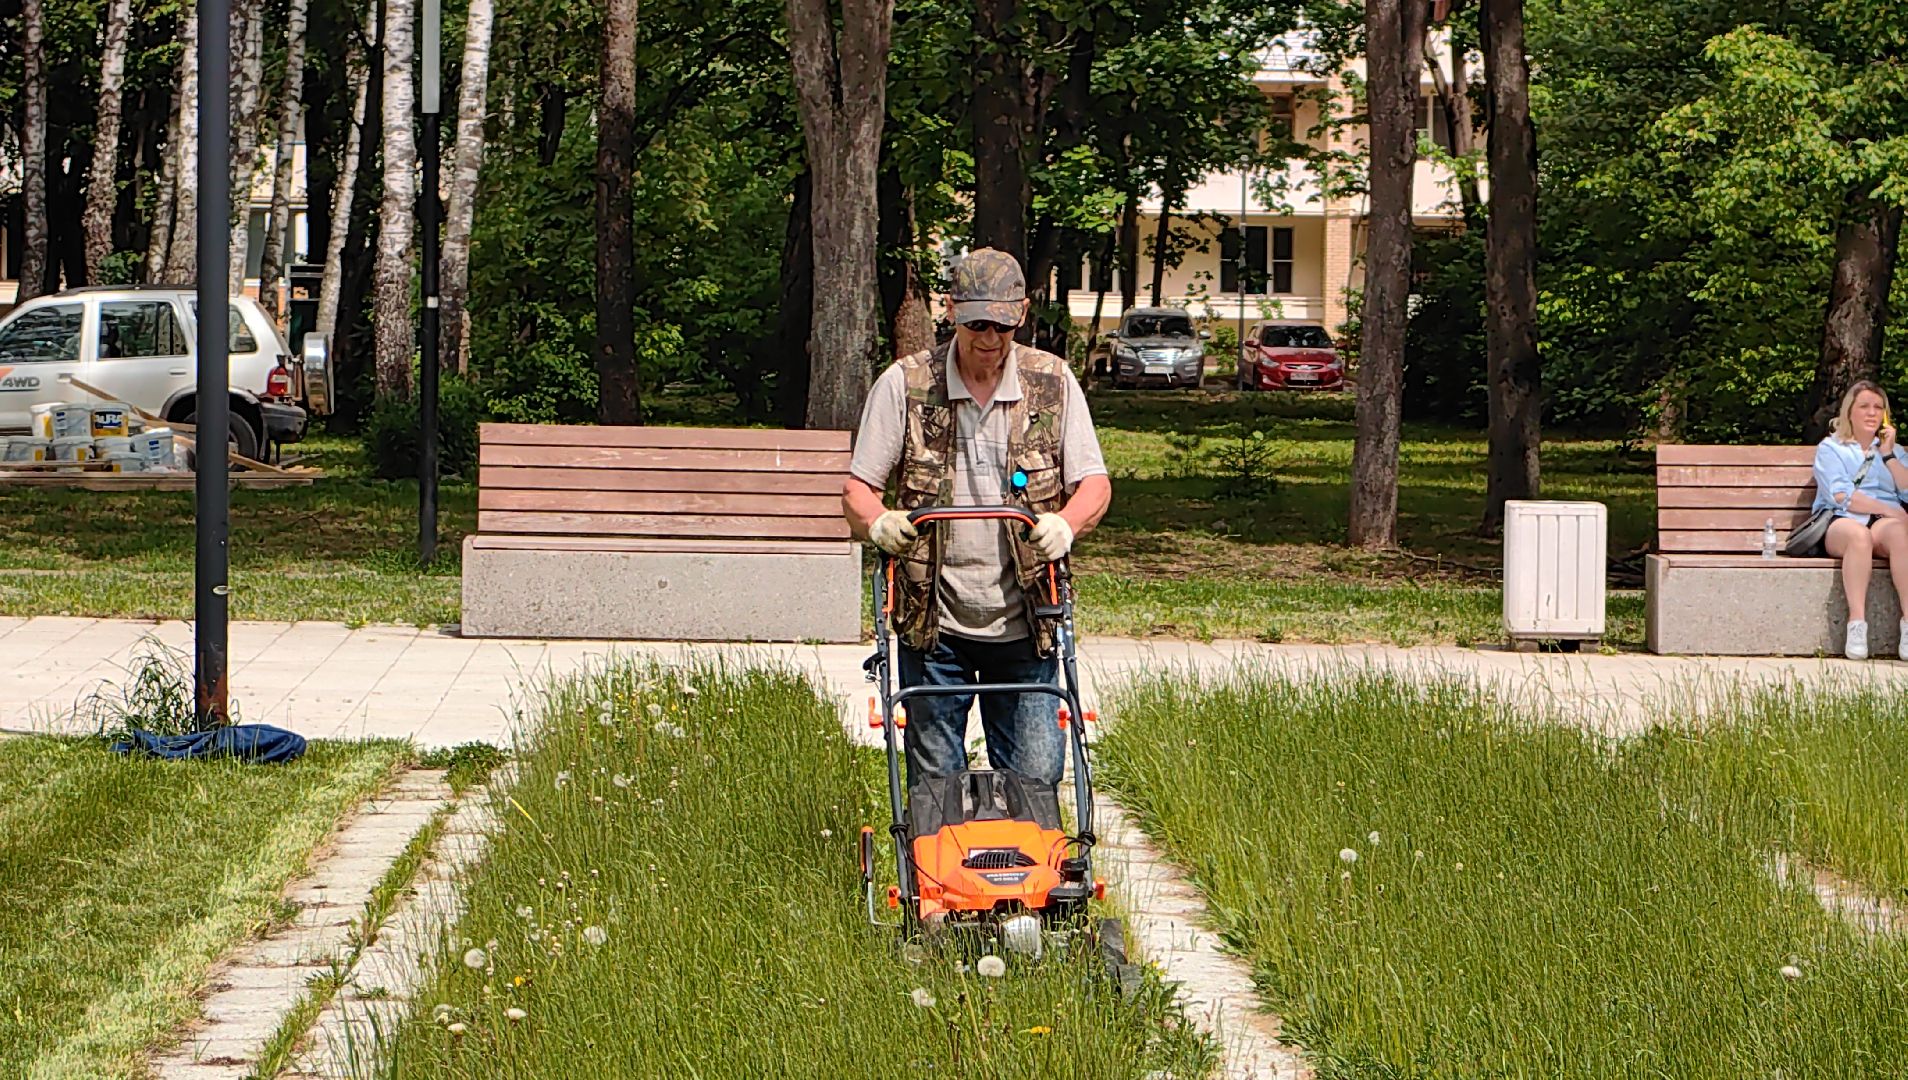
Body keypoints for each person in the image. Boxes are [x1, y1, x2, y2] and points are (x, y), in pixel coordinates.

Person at [843, 247, 1112, 794]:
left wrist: (1066, 522)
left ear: (1022, 315)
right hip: (934, 621)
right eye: (976, 325)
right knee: (935, 787)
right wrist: (878, 523)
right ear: (951, 311)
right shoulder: (906, 386)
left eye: (1002, 326)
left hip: (1028, 618)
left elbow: (1096, 485)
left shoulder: (1052, 383)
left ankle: (1030, 879)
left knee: (1035, 779)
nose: (989, 338)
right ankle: (938, 879)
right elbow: (857, 490)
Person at [1814, 379, 1908, 659]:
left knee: (1899, 533)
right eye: (1864, 406)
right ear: (1849, 413)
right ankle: (1856, 624)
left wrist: (1889, 455)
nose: (1872, 413)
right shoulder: (1832, 448)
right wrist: (1889, 509)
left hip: (1882, 523)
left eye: (1878, 407)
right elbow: (1841, 495)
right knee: (1859, 536)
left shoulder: (1896, 452)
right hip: (1842, 520)